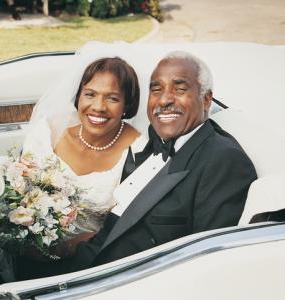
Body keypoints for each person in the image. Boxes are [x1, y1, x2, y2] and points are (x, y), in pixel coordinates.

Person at [20, 50, 257, 279]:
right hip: (81, 260)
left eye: (180, 89)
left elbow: (208, 264)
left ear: (206, 99)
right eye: (156, 89)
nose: (164, 99)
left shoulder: (223, 160)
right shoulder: (157, 140)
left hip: (114, 281)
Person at [13, 56, 147, 280]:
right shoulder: (49, 130)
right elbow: (18, 187)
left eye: (112, 98)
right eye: (90, 94)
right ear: (78, 95)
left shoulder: (139, 151)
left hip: (92, 264)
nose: (98, 107)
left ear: (127, 104)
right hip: (26, 249)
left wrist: (67, 249)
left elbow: (129, 227)